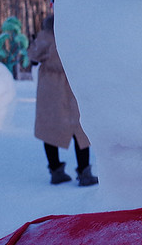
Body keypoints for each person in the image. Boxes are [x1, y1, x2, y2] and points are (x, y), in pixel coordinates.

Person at [28, 12, 98, 186]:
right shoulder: (77, 31)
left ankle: (56, 170)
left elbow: (33, 55)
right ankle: (83, 172)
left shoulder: (47, 34)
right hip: (72, 82)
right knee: (78, 129)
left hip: (53, 86)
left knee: (52, 127)